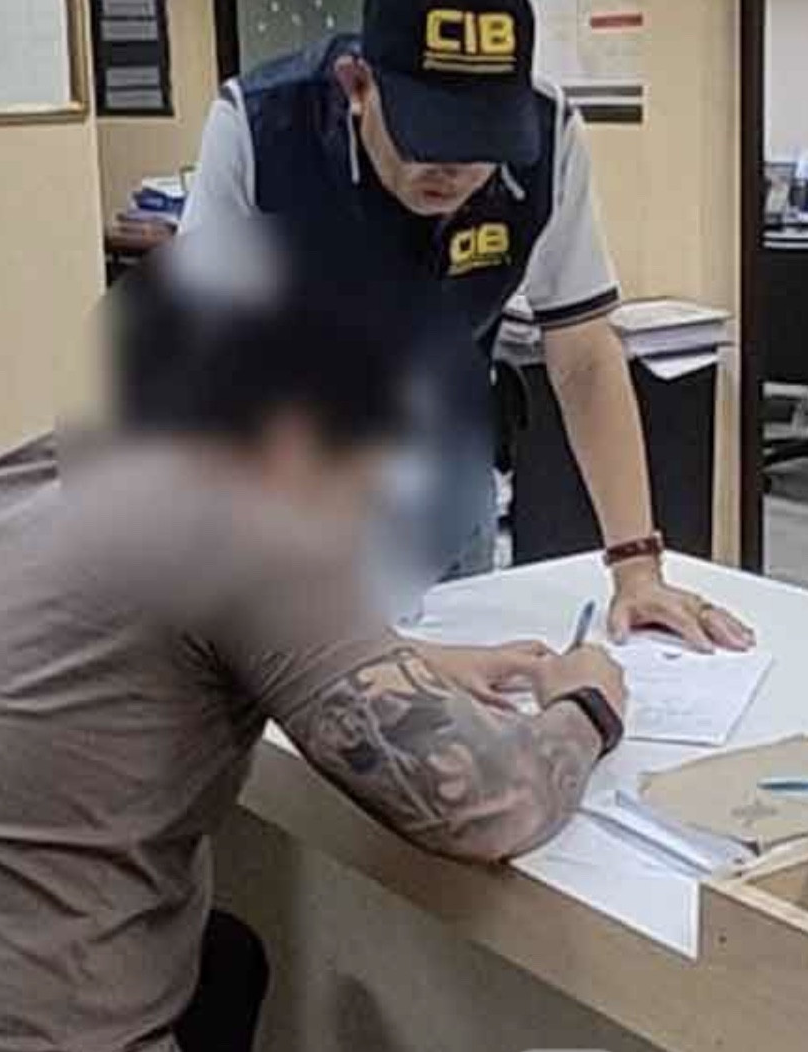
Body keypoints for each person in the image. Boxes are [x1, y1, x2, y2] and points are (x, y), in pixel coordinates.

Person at [0, 232, 615, 1052]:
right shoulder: (237, 523)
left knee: (224, 962)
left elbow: (146, 652)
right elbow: (482, 804)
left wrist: (404, 665)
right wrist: (586, 703)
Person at [181, 0, 754, 653]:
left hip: (445, 474)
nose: (451, 170)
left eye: (480, 140)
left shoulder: (549, 136)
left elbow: (585, 357)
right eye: (428, 135)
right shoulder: (261, 131)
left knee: (469, 669)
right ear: (358, 85)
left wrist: (636, 565)